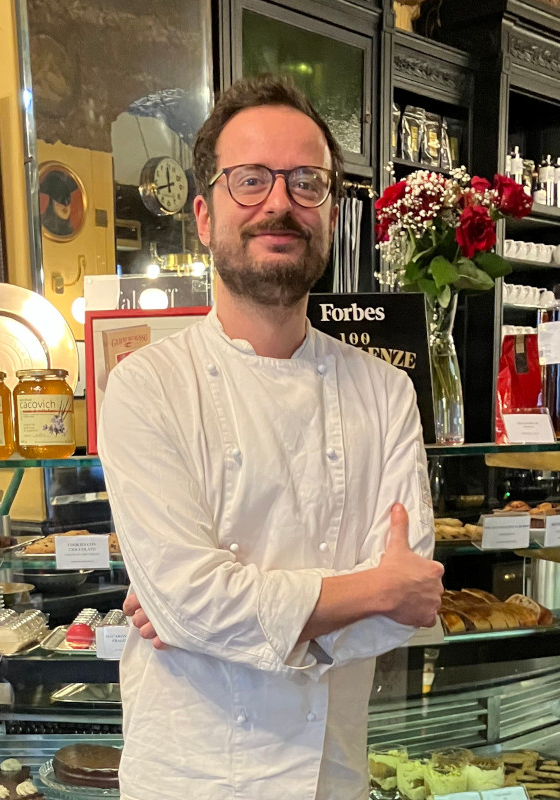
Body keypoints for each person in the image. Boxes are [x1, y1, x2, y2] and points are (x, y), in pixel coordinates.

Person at [98, 75, 444, 800]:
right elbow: (192, 599)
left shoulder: (385, 392)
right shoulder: (146, 387)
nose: (279, 203)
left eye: (306, 181)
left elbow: (408, 602)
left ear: (329, 209)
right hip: (186, 781)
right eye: (249, 180)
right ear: (203, 213)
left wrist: (211, 617)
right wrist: (368, 590)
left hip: (331, 777)